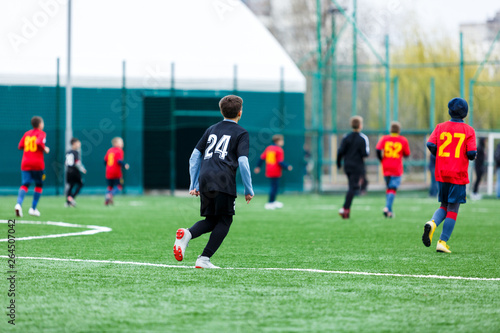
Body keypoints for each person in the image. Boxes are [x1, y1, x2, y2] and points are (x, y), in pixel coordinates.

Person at [173, 95, 254, 269]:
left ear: (221, 111)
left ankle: (187, 234)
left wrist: (193, 183)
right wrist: (249, 188)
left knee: (211, 220)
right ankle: (204, 259)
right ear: (240, 112)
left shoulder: (211, 129)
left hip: (205, 178)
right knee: (225, 220)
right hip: (223, 179)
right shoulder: (241, 133)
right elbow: (243, 162)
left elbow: (194, 157)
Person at [422, 97, 476, 253]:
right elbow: (471, 153)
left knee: (444, 205)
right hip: (458, 173)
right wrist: (472, 156)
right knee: (453, 208)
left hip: (442, 172)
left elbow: (430, 144)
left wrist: (439, 154)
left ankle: (432, 223)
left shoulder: (440, 127)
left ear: (449, 111)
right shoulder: (469, 130)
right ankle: (442, 241)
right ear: (465, 113)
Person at [15, 116, 50, 217]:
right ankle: (33, 209)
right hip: (37, 164)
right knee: (39, 185)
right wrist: (45, 149)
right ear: (40, 124)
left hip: (25, 163)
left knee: (25, 184)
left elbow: (20, 146)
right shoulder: (41, 133)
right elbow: (38, 142)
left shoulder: (27, 134)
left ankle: (18, 204)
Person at [336, 115, 370, 219]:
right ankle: (345, 209)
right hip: (357, 166)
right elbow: (365, 154)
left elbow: (340, 151)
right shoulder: (363, 138)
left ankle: (346, 209)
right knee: (353, 187)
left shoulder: (346, 137)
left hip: (347, 165)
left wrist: (338, 163)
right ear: (360, 125)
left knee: (352, 186)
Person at [375, 121, 411, 218]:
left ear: (390, 130)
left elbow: (378, 149)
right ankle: (387, 207)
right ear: (399, 130)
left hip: (385, 166)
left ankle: (389, 211)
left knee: (389, 188)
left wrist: (381, 159)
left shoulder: (385, 138)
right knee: (392, 188)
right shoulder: (403, 140)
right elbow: (407, 154)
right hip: (396, 167)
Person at [254, 134, 293, 210]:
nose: (283, 142)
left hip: (269, 169)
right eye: (281, 140)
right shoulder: (279, 149)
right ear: (277, 141)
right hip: (276, 170)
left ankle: (272, 201)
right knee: (274, 187)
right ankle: (270, 203)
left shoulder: (269, 148)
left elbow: (262, 158)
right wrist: (287, 166)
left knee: (274, 186)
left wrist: (258, 167)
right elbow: (279, 162)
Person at [104, 137, 129, 206]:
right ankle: (110, 195)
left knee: (110, 186)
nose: (122, 144)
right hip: (116, 172)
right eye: (121, 142)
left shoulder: (109, 150)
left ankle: (107, 200)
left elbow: (105, 161)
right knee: (119, 186)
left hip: (108, 171)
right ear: (116, 143)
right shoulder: (119, 150)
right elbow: (119, 161)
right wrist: (125, 165)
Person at [65, 138, 87, 207]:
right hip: (74, 170)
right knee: (81, 183)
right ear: (74, 144)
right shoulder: (76, 152)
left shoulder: (68, 152)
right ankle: (72, 198)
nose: (79, 144)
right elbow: (77, 162)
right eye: (78, 143)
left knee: (71, 185)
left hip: (68, 170)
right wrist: (82, 169)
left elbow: (66, 162)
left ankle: (68, 201)